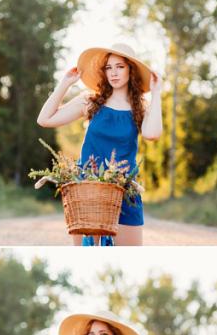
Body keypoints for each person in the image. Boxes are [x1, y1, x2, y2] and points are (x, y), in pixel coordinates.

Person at [37, 43, 163, 246]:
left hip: (124, 189)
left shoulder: (140, 107)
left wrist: (156, 93)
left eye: (120, 67)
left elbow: (152, 134)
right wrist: (65, 84)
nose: (113, 73)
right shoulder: (91, 101)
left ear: (131, 69)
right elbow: (45, 120)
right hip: (87, 188)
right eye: (109, 67)